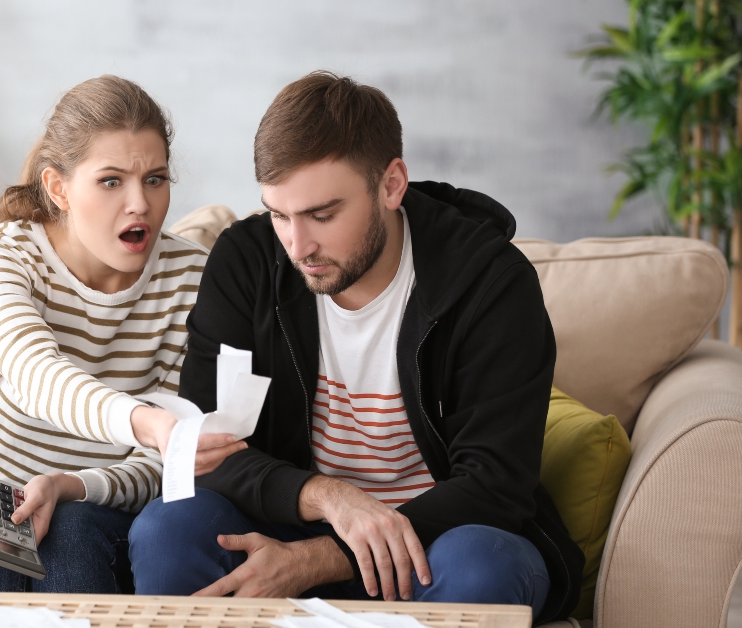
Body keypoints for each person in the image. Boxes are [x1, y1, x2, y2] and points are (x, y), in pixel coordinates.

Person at [128, 72, 584, 624]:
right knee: (168, 529)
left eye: (322, 215)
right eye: (279, 214)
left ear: (391, 185)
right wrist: (327, 497)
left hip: (437, 544)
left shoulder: (490, 282)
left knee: (483, 565)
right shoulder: (246, 262)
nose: (298, 246)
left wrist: (321, 559)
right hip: (293, 524)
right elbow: (204, 451)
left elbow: (496, 486)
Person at [0, 75, 245, 594]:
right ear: (58, 188)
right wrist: (146, 422)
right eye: (111, 181)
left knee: (71, 530)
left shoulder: (192, 278)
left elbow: (159, 465)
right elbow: (34, 375)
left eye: (155, 179)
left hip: (103, 515)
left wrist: (72, 485)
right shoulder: (0, 257)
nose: (140, 204)